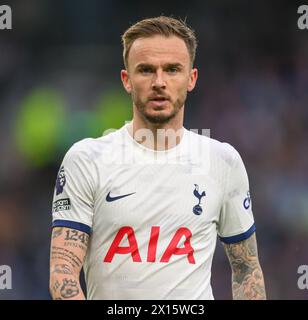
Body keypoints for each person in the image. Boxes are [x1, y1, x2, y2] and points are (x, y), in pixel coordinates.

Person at [49, 16, 266, 300]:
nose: (159, 82)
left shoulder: (223, 161)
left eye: (173, 70)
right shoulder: (86, 159)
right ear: (127, 80)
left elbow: (247, 270)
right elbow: (63, 271)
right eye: (146, 70)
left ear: (192, 78)